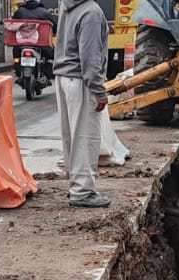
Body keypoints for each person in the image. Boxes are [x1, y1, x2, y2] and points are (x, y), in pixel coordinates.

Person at [54, 0, 110, 208]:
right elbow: (90, 57)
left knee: (72, 137)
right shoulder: (91, 12)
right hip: (80, 81)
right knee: (85, 138)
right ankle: (83, 191)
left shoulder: (66, 4)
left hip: (63, 77)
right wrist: (99, 91)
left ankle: (76, 184)